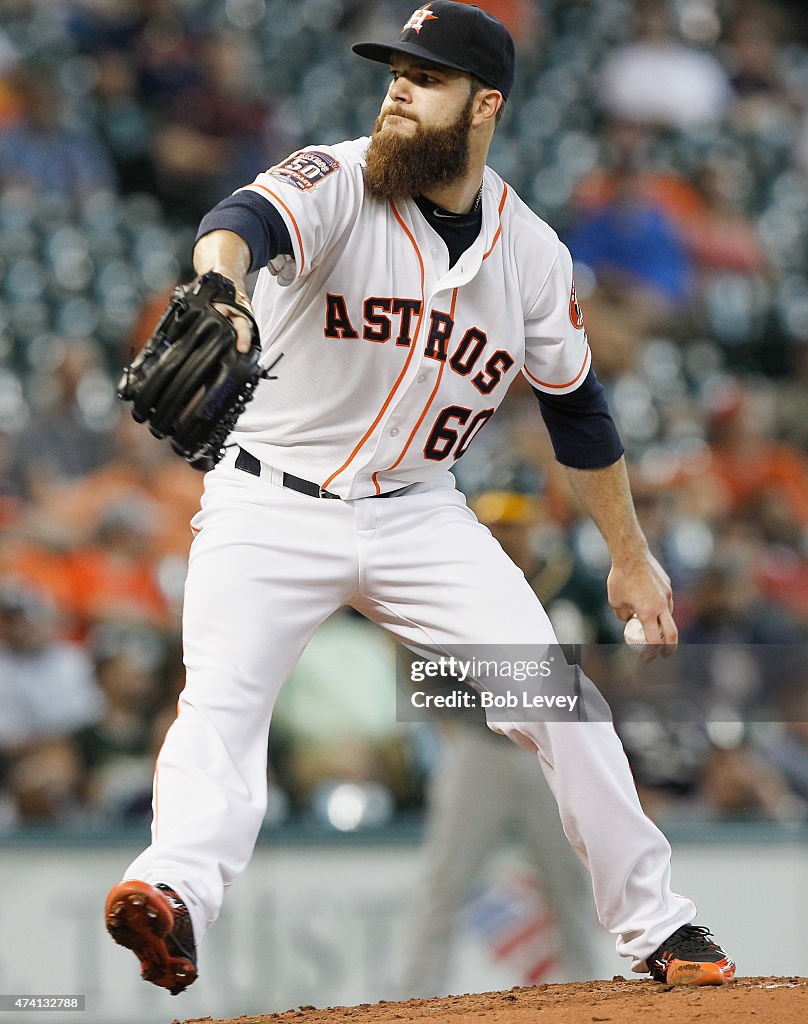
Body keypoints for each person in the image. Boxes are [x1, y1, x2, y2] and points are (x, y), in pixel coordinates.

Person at [104, 1, 735, 998]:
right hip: (270, 499)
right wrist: (222, 286)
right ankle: (168, 892)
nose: (399, 88)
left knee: (561, 704)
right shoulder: (339, 177)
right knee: (221, 707)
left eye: (425, 76)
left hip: (416, 513)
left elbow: (576, 409)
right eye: (394, 70)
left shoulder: (530, 254)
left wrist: (627, 551)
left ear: (484, 105)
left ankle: (658, 926)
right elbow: (240, 223)